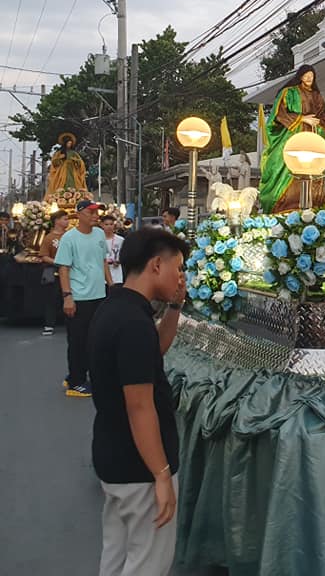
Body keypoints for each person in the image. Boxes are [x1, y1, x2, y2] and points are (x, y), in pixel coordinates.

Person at [89, 228, 188, 576]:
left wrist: (175, 306)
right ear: (156, 265)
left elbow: (152, 353)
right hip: (139, 467)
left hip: (114, 457)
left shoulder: (116, 307)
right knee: (147, 562)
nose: (181, 276)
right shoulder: (132, 323)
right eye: (178, 268)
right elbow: (140, 406)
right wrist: (161, 476)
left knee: (116, 556)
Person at [55, 199, 112, 397]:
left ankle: (77, 376)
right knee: (78, 341)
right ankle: (75, 383)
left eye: (97, 212)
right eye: (91, 212)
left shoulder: (98, 234)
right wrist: (67, 297)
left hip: (99, 295)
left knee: (95, 339)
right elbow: (64, 268)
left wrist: (111, 285)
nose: (96, 216)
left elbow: (103, 261)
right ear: (79, 214)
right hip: (79, 297)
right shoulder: (69, 238)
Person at [260, 64, 325, 213]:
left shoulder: (317, 96)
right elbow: (279, 114)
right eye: (306, 75)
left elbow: (324, 115)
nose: (309, 78)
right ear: (300, 76)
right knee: (286, 168)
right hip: (293, 136)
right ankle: (283, 205)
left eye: (311, 75)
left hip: (313, 137)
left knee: (314, 171)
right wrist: (302, 119)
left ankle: (312, 207)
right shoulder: (289, 92)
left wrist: (320, 122)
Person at [39, 210, 70, 337]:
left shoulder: (70, 236)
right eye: (64, 219)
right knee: (52, 299)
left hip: (69, 272)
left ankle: (70, 323)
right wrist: (58, 262)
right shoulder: (49, 238)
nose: (67, 221)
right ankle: (49, 324)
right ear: (56, 221)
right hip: (54, 273)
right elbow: (44, 256)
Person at [102, 215, 125, 285]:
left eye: (111, 224)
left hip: (117, 276)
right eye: (106, 224)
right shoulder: (98, 239)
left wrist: (119, 261)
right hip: (102, 277)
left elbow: (125, 256)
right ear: (102, 225)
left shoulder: (120, 240)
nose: (109, 226)